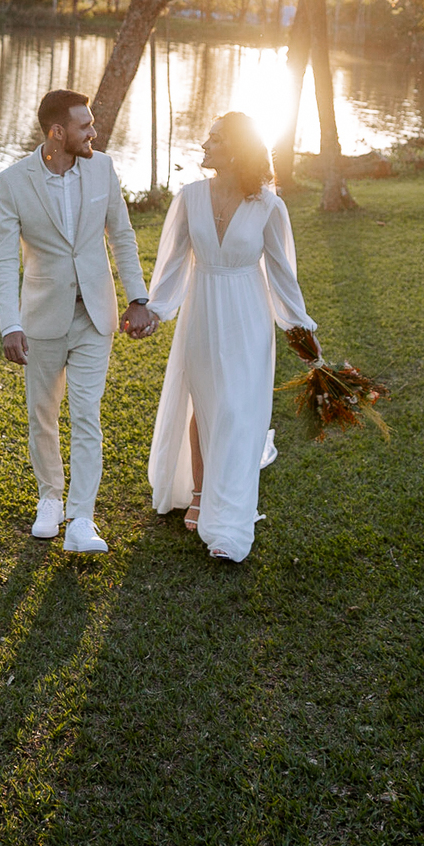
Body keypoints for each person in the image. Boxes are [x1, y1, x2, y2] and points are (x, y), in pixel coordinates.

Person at [146, 111, 321, 563]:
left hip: (247, 314)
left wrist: (299, 326)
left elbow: (283, 274)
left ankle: (231, 522)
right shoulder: (188, 197)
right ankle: (201, 492)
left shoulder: (269, 205)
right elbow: (171, 266)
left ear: (237, 149)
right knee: (204, 405)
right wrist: (155, 311)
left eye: (216, 138)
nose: (205, 144)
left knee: (240, 412)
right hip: (203, 310)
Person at [0, 89, 156, 553]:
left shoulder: (102, 168)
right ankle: (50, 500)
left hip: (95, 316)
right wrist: (10, 324)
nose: (93, 132)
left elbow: (122, 237)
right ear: (57, 132)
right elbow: (4, 261)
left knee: (87, 415)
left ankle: (82, 518)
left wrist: (137, 297)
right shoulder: (12, 182)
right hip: (41, 317)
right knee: (41, 415)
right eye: (85, 126)